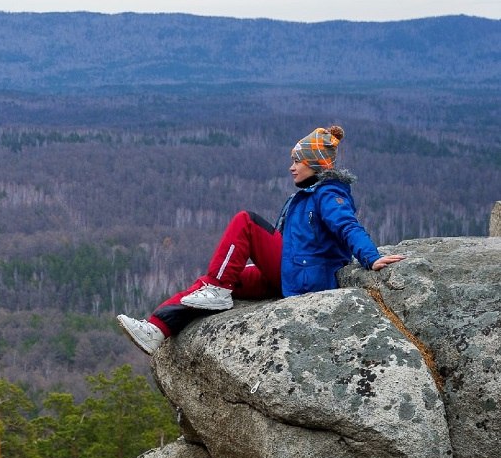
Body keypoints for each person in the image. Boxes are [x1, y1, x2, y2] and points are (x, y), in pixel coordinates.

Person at [117, 125, 405, 356]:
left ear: (315, 164)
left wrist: (371, 256)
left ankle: (217, 289)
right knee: (216, 281)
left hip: (304, 276)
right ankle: (157, 329)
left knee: (246, 222)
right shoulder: (310, 193)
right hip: (293, 272)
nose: (291, 167)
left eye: (297, 161)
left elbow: (347, 226)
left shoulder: (329, 195)